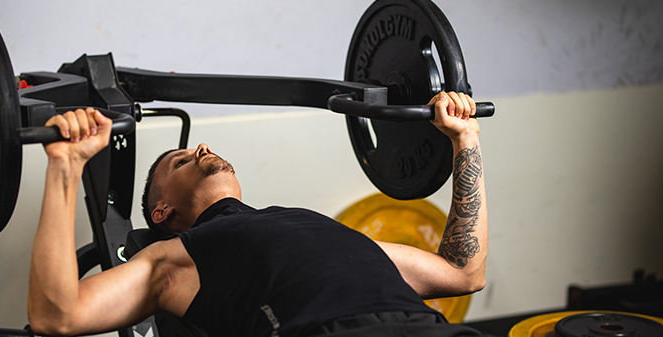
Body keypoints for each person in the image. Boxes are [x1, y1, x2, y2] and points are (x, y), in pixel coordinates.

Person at [28, 92, 488, 337]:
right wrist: (65, 166)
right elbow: (58, 315)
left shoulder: (316, 227)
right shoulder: (174, 259)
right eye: (180, 159)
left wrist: (464, 140)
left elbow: (463, 271)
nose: (203, 148)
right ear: (161, 210)